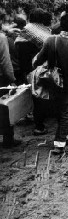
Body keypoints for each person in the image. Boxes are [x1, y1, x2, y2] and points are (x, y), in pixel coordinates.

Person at [33, 12, 68, 154]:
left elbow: (38, 60)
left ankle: (67, 135)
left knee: (59, 109)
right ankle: (59, 143)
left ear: (60, 23)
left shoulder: (50, 40)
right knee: (66, 112)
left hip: (52, 82)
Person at [0, 10, 21, 148]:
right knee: (5, 108)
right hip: (1, 78)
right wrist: (12, 79)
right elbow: (5, 62)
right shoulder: (1, 38)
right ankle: (8, 139)